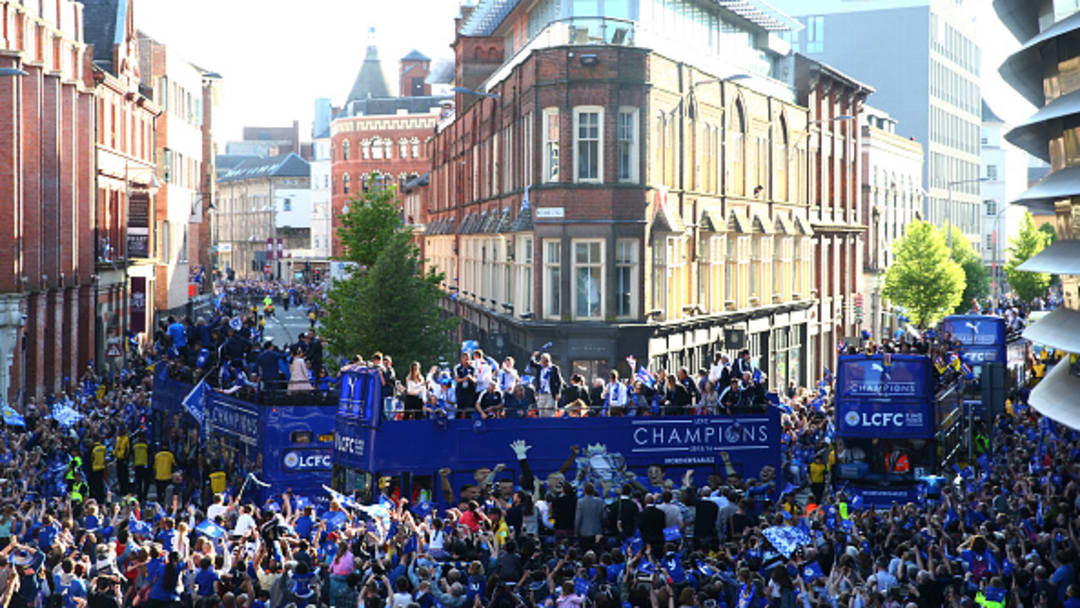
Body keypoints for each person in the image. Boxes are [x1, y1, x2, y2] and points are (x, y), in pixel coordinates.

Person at [528, 352, 563, 417]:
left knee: (549, 411)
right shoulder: (540, 367)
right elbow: (532, 363)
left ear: (548, 361)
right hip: (541, 393)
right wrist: (533, 356)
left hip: (550, 393)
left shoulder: (554, 368)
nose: (543, 364)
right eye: (542, 362)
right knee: (541, 411)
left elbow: (559, 381)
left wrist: (558, 393)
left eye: (545, 362)